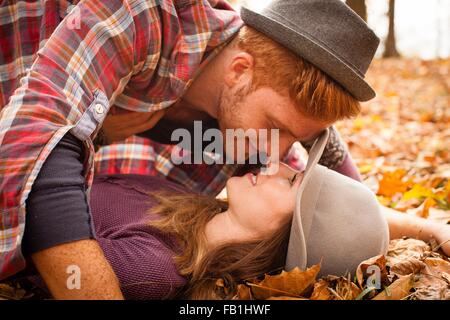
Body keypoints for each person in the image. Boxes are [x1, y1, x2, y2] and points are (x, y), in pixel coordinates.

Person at [1, 0, 382, 298]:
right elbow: (42, 146)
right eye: (276, 127)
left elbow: (331, 210)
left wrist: (434, 231)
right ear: (239, 70)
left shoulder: (253, 140)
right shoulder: (147, 14)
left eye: (295, 139)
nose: (274, 154)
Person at [22, 131, 450, 300]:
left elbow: (43, 260)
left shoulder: (151, 271)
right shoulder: (186, 200)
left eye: (293, 183)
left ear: (288, 238)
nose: (279, 165)